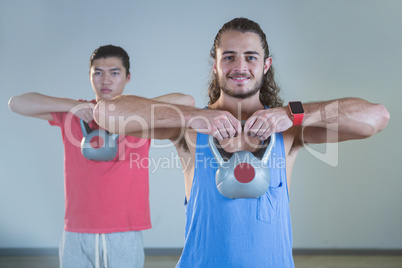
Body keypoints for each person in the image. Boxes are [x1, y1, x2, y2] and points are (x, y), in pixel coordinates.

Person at [93, 19, 390, 268]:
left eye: (250, 56)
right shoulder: (190, 129)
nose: (240, 66)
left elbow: (376, 117)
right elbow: (105, 113)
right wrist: (194, 116)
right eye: (229, 56)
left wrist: (293, 113)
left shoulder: (289, 130)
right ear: (216, 65)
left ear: (266, 65)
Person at [8, 45, 194, 268]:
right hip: (76, 231)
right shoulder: (74, 114)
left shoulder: (142, 116)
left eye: (114, 73)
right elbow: (16, 103)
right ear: (89, 76)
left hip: (124, 232)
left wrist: (131, 109)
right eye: (98, 72)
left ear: (127, 77)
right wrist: (73, 105)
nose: (106, 80)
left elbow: (186, 100)